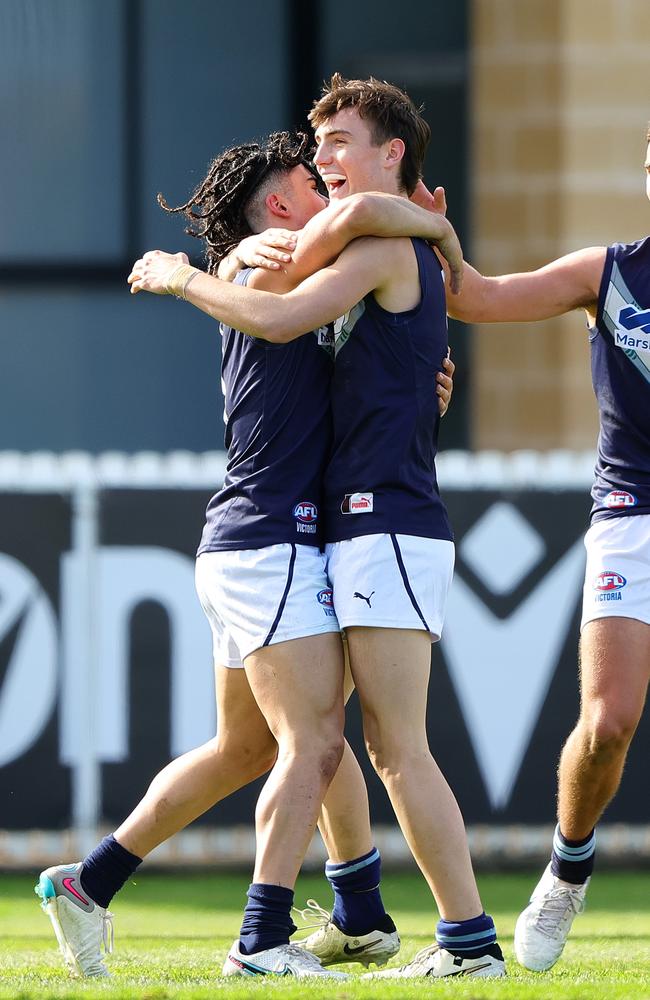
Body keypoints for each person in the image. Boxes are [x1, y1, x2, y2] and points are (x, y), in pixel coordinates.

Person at [35, 129, 457, 980]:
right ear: (276, 205)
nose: (324, 186)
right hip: (272, 537)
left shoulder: (290, 264)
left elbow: (347, 381)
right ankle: (262, 939)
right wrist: (190, 273)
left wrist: (416, 380)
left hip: (250, 539)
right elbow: (303, 286)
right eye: (310, 177)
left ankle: (90, 883)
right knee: (313, 742)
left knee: (248, 750)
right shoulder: (268, 264)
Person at [128, 74, 506, 981]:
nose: (321, 159)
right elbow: (320, 312)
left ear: (392, 155)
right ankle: (366, 916)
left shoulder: (369, 236)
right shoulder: (366, 237)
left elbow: (287, 312)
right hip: (353, 525)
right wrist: (430, 236)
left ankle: (464, 941)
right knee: (339, 740)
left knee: (391, 749)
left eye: (338, 142)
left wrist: (187, 274)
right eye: (317, 144)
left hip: (387, 523)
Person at [421, 127, 650, 972]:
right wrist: (436, 236)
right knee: (608, 721)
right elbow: (474, 298)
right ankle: (568, 867)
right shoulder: (610, 271)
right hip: (635, 512)